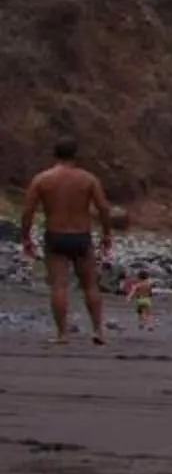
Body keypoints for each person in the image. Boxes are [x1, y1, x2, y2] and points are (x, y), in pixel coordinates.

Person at [19, 139, 115, 347]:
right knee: (90, 284)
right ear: (75, 155)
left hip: (55, 235)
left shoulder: (42, 179)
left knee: (59, 285)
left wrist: (26, 237)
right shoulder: (88, 179)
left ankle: (62, 334)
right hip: (81, 235)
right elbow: (104, 208)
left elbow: (28, 210)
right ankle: (98, 330)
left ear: (54, 154)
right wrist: (107, 235)